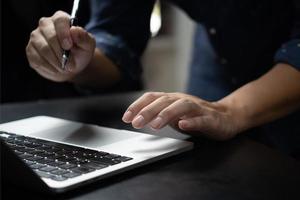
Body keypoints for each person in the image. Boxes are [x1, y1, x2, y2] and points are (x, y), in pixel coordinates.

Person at [26, 0, 300, 156]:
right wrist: (79, 64)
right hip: (219, 51)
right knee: (204, 158)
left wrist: (229, 110)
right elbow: (117, 36)